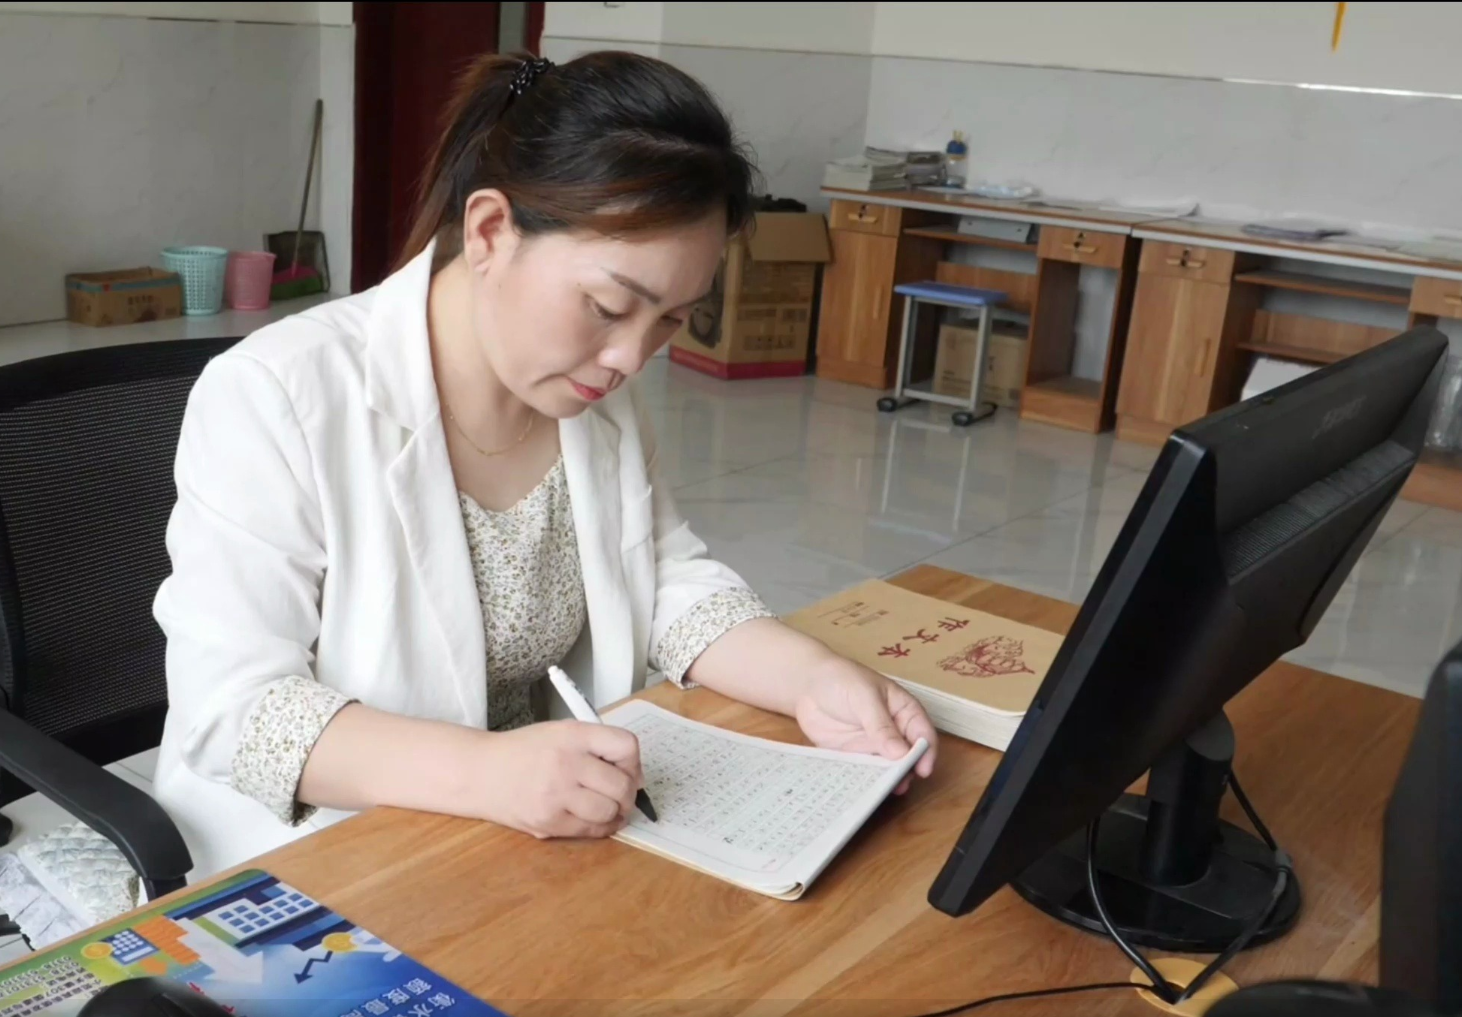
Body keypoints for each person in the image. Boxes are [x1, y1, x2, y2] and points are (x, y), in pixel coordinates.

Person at [152, 50, 938, 878]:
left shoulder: (589, 394)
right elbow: (234, 711)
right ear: (490, 231)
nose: (631, 356)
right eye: (608, 305)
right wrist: (489, 772)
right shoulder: (277, 394)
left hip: (519, 840)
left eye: (670, 320)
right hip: (322, 854)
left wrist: (815, 679)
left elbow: (667, 582)